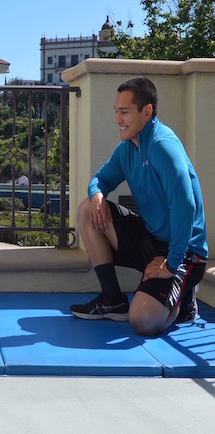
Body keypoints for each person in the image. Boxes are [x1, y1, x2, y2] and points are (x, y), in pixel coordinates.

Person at [71, 77, 208, 336]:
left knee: (143, 321)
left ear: (147, 111)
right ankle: (113, 299)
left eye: (124, 112)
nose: (117, 119)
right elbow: (99, 180)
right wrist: (97, 194)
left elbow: (186, 207)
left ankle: (183, 299)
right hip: (150, 237)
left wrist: (171, 264)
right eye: (116, 112)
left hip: (184, 253)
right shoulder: (128, 148)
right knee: (88, 208)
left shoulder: (163, 146)